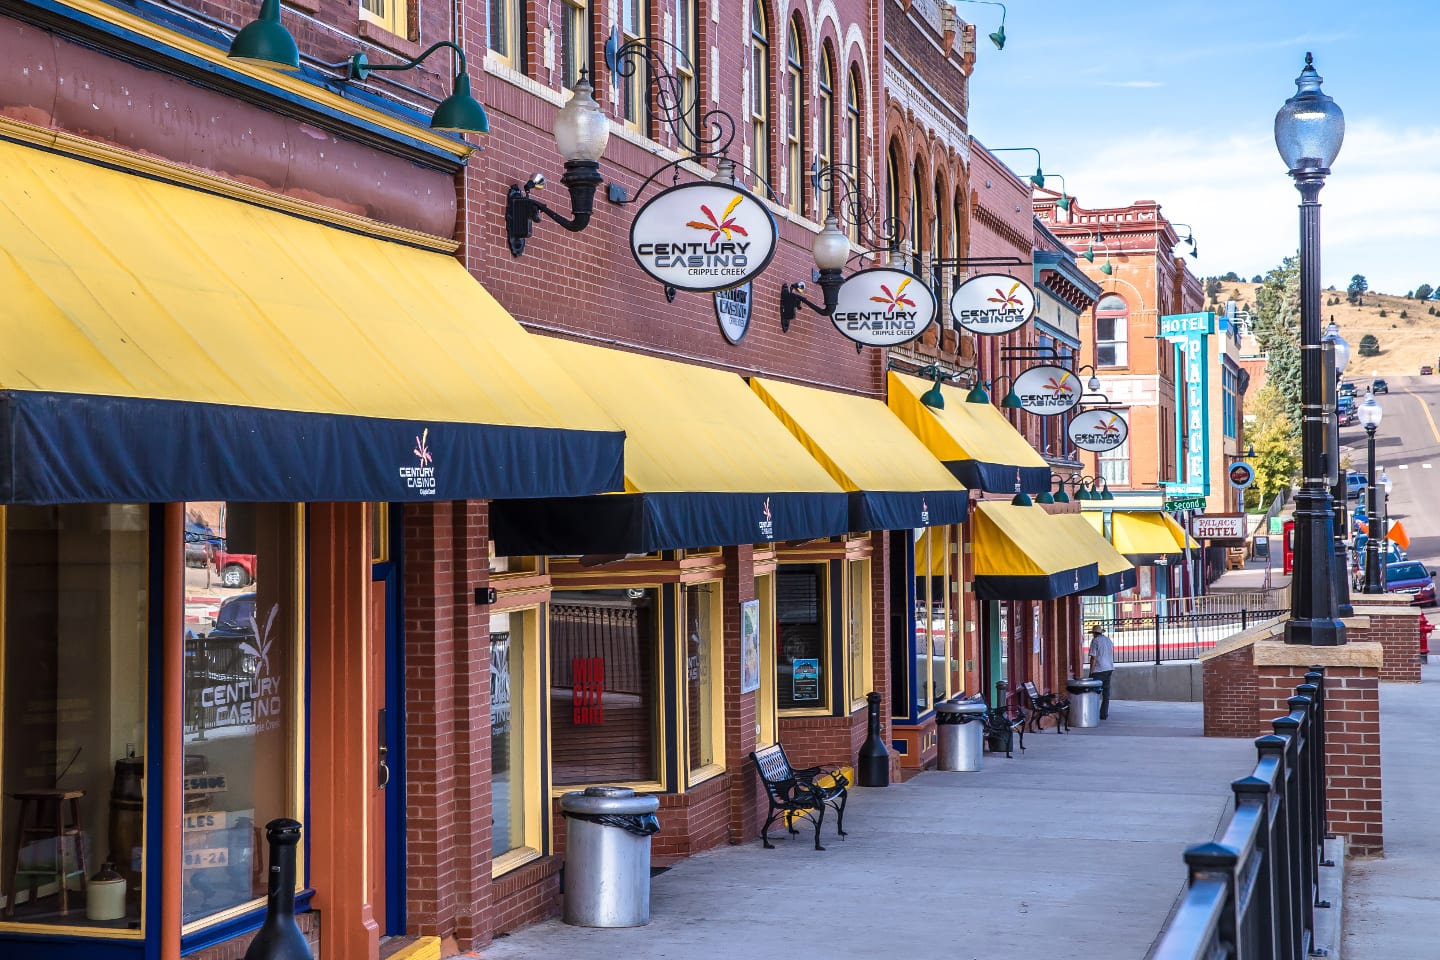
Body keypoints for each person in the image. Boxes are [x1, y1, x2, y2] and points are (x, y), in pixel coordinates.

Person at [1086, 623, 1115, 721]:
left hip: (1099, 669)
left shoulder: (1095, 641)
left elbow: (1093, 658)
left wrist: (1091, 672)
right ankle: (1104, 714)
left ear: (1094, 633)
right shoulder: (1108, 640)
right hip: (1109, 668)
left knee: (1094, 693)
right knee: (1106, 693)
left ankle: (1093, 713)